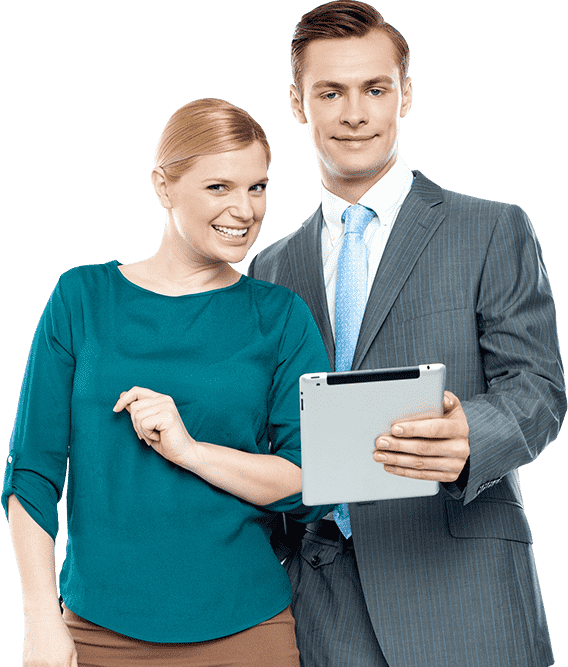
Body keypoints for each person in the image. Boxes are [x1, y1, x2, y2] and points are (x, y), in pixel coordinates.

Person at [247, 2, 567, 666]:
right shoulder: (273, 265)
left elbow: (538, 390)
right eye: (330, 92)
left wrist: (471, 435)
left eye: (375, 89)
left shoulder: (490, 229)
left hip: (462, 595)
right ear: (298, 103)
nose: (354, 113)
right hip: (323, 606)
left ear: (406, 95)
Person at [2, 97, 332, 667]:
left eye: (257, 187)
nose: (244, 209)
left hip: (247, 629)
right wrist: (40, 622)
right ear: (163, 185)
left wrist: (191, 451)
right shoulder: (82, 299)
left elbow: (311, 483)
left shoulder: (280, 316)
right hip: (97, 629)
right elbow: (31, 473)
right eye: (219, 187)